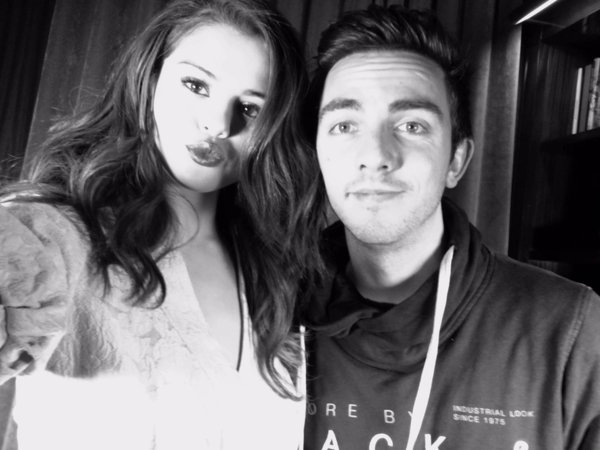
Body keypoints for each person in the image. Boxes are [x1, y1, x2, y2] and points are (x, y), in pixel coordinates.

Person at [0, 0, 319, 449]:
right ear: (148, 81)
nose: (218, 124)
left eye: (250, 109)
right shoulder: (54, 234)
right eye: (196, 85)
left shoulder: (280, 277)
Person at [301, 5, 600, 450]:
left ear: (456, 161)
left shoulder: (570, 331)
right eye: (344, 125)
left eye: (411, 125)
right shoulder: (268, 311)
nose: (375, 155)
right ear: (317, 155)